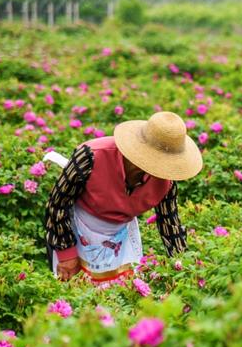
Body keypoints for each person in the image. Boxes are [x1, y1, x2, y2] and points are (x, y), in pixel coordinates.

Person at [45, 111, 202, 282]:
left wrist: (185, 269)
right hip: (77, 229)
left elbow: (170, 224)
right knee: (73, 294)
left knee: (121, 294)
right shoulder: (91, 155)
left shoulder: (166, 181)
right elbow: (57, 203)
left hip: (120, 237)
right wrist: (66, 253)